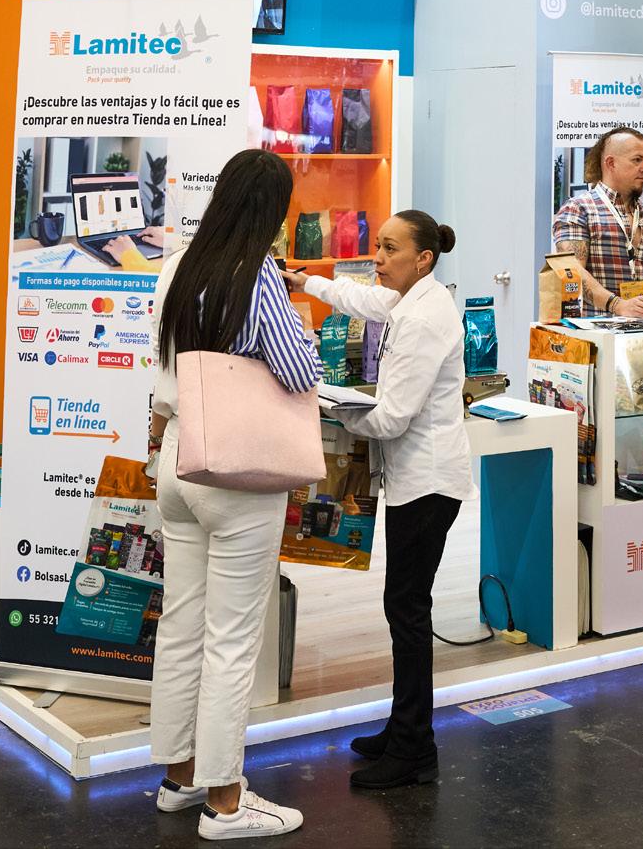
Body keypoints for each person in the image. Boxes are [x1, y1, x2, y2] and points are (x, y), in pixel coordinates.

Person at [148, 149, 321, 840]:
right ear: (272, 211)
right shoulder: (259, 278)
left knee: (182, 626)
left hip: (177, 459)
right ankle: (225, 802)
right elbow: (298, 370)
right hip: (237, 473)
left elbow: (163, 367)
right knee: (231, 640)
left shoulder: (177, 266)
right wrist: (305, 337)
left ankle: (179, 776)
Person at [285, 210, 472, 792]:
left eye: (390, 249)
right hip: (418, 481)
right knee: (403, 608)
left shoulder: (424, 319)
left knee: (407, 612)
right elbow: (362, 298)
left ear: (424, 258)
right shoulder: (411, 299)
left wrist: (328, 411)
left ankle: (415, 751)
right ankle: (402, 729)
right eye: (379, 247)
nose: (377, 258)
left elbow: (391, 419)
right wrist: (306, 282)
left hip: (428, 484)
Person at [552, 126, 643, 318]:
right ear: (611, 163)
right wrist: (617, 305)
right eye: (637, 160)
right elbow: (571, 271)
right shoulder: (578, 209)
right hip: (597, 331)